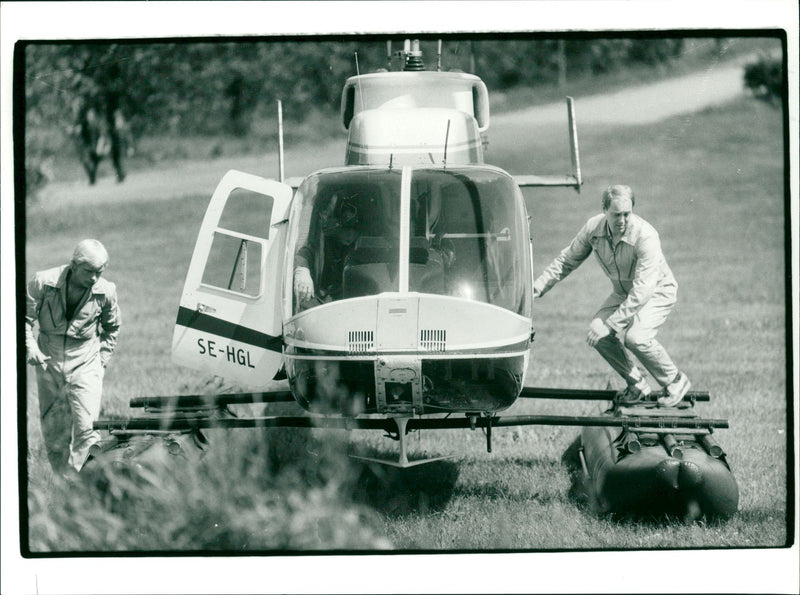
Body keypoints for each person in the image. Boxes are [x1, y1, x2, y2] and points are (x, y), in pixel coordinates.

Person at [533, 185, 691, 407]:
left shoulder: (646, 236)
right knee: (597, 333)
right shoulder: (593, 229)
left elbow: (643, 291)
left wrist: (612, 324)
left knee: (636, 337)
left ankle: (675, 381)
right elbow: (567, 260)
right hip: (624, 292)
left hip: (657, 291)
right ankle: (637, 385)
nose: (623, 220)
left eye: (627, 214)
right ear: (604, 210)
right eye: (617, 214)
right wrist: (538, 286)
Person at [25, 239, 121, 474]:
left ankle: (84, 485)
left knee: (87, 429)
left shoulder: (106, 291)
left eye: (100, 272)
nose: (94, 278)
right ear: (73, 265)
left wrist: (101, 361)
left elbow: (112, 328)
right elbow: (23, 319)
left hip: (86, 361)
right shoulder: (42, 283)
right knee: (54, 432)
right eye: (89, 272)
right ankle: (62, 488)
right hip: (49, 361)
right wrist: (31, 348)